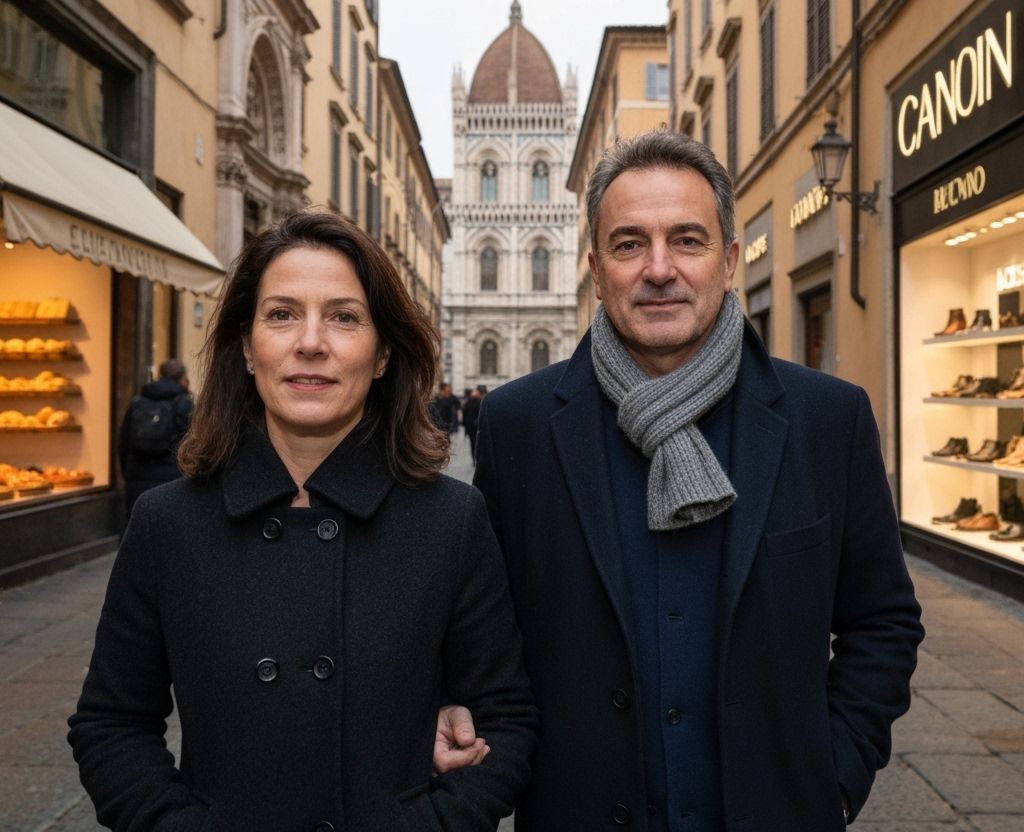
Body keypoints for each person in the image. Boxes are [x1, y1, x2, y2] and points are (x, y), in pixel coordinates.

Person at [436, 131, 924, 830]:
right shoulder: (519, 426)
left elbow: (882, 621)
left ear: (728, 263)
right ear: (596, 270)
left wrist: (837, 775)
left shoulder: (827, 419)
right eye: (629, 244)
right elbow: (483, 634)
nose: (659, 268)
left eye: (687, 240)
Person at [69, 211, 537, 831]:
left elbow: (506, 721)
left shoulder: (450, 520)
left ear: (382, 355)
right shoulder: (168, 523)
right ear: (246, 343)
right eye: (282, 314)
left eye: (344, 317)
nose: (310, 342)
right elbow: (111, 724)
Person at [116, 358, 192, 521]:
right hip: (172, 479)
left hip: (137, 477)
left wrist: (129, 473)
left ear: (160, 375)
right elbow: (194, 446)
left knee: (136, 528)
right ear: (182, 378)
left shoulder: (138, 402)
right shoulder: (184, 404)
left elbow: (123, 443)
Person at [461, 386, 484, 463]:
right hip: (471, 427)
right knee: (473, 444)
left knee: (478, 444)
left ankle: (477, 458)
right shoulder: (469, 403)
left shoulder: (480, 402)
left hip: (478, 427)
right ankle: (474, 458)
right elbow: (464, 415)